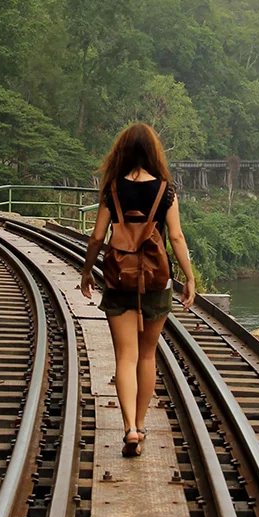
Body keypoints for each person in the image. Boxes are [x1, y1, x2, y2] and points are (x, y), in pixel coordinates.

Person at [79, 122, 196, 457]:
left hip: (119, 279)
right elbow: (175, 237)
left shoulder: (112, 190)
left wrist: (87, 272)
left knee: (125, 357)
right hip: (156, 281)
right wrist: (188, 277)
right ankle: (141, 425)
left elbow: (97, 237)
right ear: (153, 153)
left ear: (123, 152)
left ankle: (128, 426)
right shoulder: (165, 191)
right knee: (147, 355)